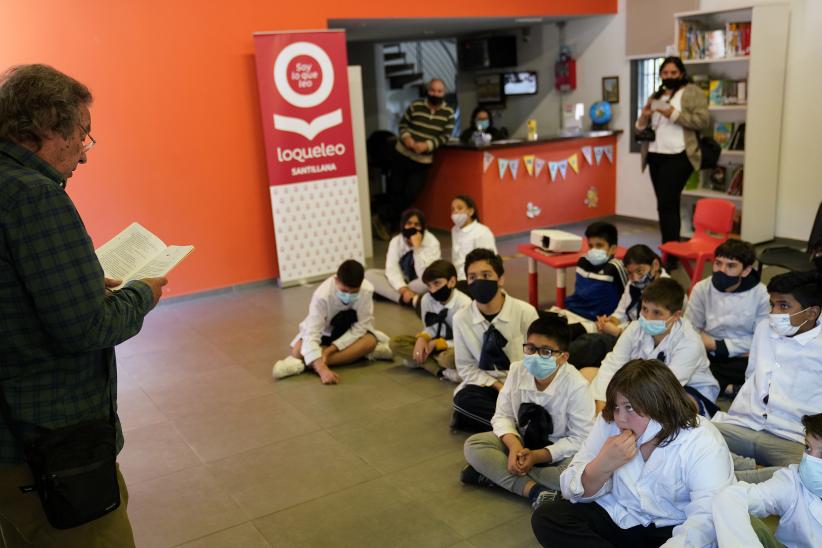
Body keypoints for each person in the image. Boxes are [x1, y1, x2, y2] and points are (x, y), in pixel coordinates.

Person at [0, 64, 167, 547]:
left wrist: (79, 281)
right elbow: (87, 326)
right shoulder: (34, 197)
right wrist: (142, 293)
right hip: (48, 444)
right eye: (83, 136)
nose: (84, 156)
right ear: (48, 127)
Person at [531, 359, 735, 548]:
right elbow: (570, 489)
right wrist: (603, 465)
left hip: (672, 529)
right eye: (617, 407)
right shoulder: (609, 422)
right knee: (548, 518)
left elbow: (705, 518)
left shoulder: (701, 439)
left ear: (660, 404)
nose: (620, 419)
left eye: (629, 407)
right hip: (622, 516)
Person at [461, 316, 595, 508]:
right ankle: (534, 491)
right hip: (521, 443)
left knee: (576, 477)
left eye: (546, 352)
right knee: (474, 445)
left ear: (563, 357)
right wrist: (515, 447)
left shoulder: (577, 386)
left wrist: (536, 457)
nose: (535, 357)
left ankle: (493, 473)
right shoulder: (517, 370)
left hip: (557, 452)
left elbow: (580, 438)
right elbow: (502, 416)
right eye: (531, 349)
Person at [712, 270, 822, 483]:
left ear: (812, 313)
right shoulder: (764, 328)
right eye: (772, 304)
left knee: (808, 475)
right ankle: (749, 473)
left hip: (792, 437)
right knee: (690, 433)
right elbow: (751, 373)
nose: (774, 313)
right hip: (745, 424)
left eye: (783, 306)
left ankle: (728, 478)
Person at [591, 278, 719, 417]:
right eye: (645, 309)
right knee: (588, 374)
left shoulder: (690, 342)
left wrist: (616, 404)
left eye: (657, 313)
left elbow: (665, 387)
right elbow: (612, 365)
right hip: (637, 384)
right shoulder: (634, 328)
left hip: (685, 391)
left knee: (672, 408)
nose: (648, 318)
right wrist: (602, 407)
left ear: (676, 315)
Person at [452, 249, 538, 432]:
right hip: (489, 385)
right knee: (463, 400)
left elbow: (537, 359)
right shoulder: (461, 318)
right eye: (472, 277)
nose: (479, 281)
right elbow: (466, 368)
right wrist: (498, 386)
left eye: (486, 275)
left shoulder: (525, 312)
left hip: (523, 385)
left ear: (500, 279)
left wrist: (515, 388)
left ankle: (504, 426)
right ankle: (519, 428)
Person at [273, 259, 392, 385]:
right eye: (345, 291)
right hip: (325, 333)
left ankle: (310, 362)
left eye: (354, 292)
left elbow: (361, 327)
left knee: (370, 341)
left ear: (361, 284)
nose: (349, 295)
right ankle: (356, 356)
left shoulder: (367, 290)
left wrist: (330, 350)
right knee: (297, 350)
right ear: (336, 280)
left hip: (350, 334)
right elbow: (312, 334)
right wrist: (322, 370)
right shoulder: (322, 296)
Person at [713, 412, 822, 548]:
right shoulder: (792, 481)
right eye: (807, 447)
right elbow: (731, 498)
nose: (810, 459)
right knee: (744, 517)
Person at [636, 56, 710, 255]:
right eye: (665, 73)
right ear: (660, 75)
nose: (669, 77)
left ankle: (671, 251)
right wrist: (644, 116)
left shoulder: (692, 92)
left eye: (673, 73)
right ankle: (669, 249)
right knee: (663, 205)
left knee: (669, 203)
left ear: (682, 74)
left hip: (679, 155)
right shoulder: (656, 94)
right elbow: (641, 128)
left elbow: (703, 121)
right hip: (654, 154)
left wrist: (672, 114)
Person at [685, 239, 770, 395]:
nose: (721, 270)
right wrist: (704, 344)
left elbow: (761, 339)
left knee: (766, 367)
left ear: (745, 271)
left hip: (741, 356)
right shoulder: (702, 288)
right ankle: (730, 388)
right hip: (707, 353)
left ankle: (721, 386)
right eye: (718, 263)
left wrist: (716, 345)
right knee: (684, 361)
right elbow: (690, 327)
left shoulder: (761, 294)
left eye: (730, 266)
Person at [375, 78, 455, 233]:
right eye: (432, 90)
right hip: (401, 155)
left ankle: (382, 216)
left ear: (444, 93)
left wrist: (427, 145)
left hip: (422, 161)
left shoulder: (448, 113)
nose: (435, 94)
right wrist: (406, 138)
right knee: (395, 192)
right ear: (428, 90)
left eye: (439, 91)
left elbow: (445, 136)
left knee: (410, 195)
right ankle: (391, 227)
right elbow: (403, 124)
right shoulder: (416, 105)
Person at [389, 260, 471, 383]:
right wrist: (423, 338)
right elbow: (429, 327)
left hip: (455, 346)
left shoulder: (464, 304)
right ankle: (442, 370)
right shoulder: (426, 299)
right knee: (395, 343)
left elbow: (466, 340)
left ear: (452, 282)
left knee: (447, 359)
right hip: (434, 345)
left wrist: (440, 344)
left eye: (437, 284)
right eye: (429, 286)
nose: (432, 290)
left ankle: (423, 362)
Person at [365, 208, 441, 308]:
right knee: (369, 274)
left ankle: (390, 294)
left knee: (432, 281)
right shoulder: (396, 241)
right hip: (403, 278)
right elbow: (392, 269)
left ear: (422, 227)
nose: (412, 227)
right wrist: (403, 289)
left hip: (420, 281)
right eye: (409, 223)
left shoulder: (432, 242)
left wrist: (417, 248)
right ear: (403, 225)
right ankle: (407, 299)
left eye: (417, 224)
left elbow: (426, 275)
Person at [564, 222, 627, 321]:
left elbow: (627, 298)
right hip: (574, 311)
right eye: (591, 246)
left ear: (613, 249)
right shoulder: (583, 262)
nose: (594, 250)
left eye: (599, 245)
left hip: (598, 321)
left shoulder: (615, 267)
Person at [450, 194, 496, 291]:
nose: (455, 212)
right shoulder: (454, 230)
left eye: (459, 208)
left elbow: (489, 262)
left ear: (470, 211)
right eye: (453, 209)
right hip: (457, 277)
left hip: (474, 279)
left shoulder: (482, 232)